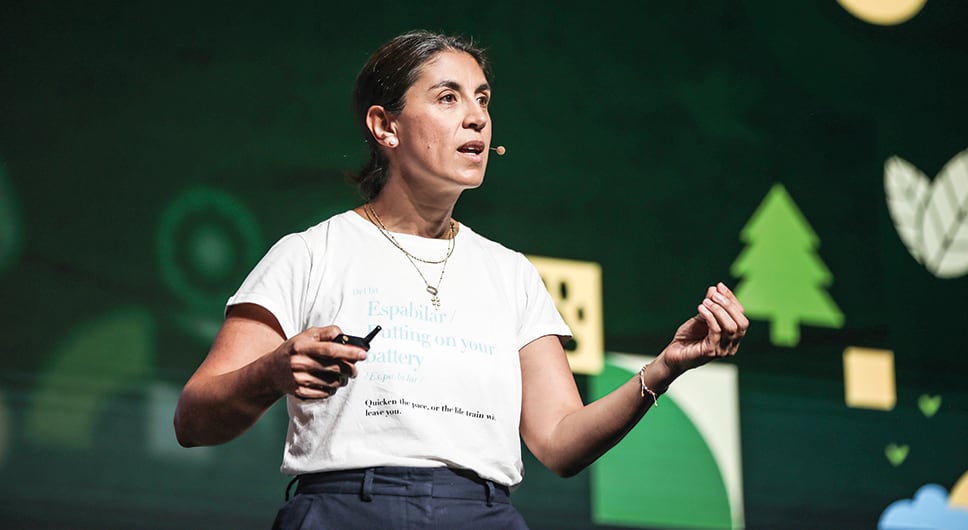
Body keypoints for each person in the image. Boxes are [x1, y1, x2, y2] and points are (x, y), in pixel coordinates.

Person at [173, 30, 749, 529]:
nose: (476, 116)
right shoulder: (311, 253)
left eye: (482, 99)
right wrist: (273, 370)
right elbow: (193, 419)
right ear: (385, 126)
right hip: (345, 509)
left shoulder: (510, 273)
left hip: (481, 513)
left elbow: (560, 442)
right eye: (448, 98)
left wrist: (666, 367)